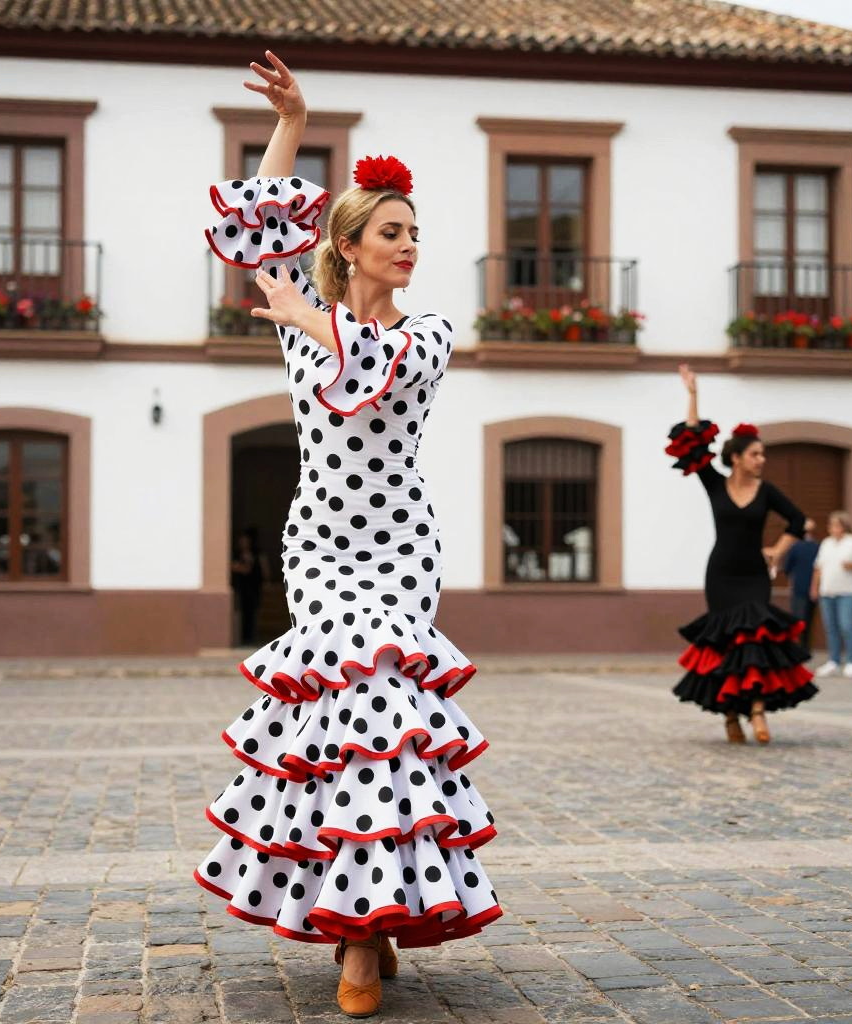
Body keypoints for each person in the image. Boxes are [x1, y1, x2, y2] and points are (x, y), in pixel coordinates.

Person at [195, 52, 501, 1018]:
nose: (411, 246)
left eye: (416, 232)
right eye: (393, 232)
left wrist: (306, 317)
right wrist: (292, 124)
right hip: (319, 542)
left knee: (389, 727)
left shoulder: (431, 334)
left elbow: (378, 361)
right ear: (353, 243)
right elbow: (253, 231)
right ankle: (359, 923)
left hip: (403, 546)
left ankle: (375, 930)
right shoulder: (302, 316)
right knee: (339, 726)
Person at [666, 365, 816, 744]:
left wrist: (777, 553)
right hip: (720, 576)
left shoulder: (767, 491)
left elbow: (799, 520)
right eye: (756, 454)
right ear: (736, 457)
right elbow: (694, 445)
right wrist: (693, 395)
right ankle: (731, 716)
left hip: (752, 575)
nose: (762, 460)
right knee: (724, 646)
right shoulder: (714, 483)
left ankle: (758, 711)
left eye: (763, 454)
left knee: (753, 641)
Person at [810, 510, 852, 678]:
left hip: (847, 592)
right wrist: (814, 587)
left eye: (835, 525)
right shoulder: (826, 543)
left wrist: (851, 566)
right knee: (831, 628)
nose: (832, 528)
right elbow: (818, 568)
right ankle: (833, 661)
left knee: (847, 626)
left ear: (844, 526)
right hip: (827, 591)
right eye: (830, 525)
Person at [230, 526, 267, 645]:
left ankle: (251, 637)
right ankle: (240, 638)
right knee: (240, 613)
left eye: (245, 540)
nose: (243, 543)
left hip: (253, 588)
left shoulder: (256, 554)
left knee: (252, 613)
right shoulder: (235, 554)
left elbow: (262, 568)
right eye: (242, 540)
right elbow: (236, 567)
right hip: (240, 588)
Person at [783, 517, 819, 639]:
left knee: (798, 620)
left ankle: (800, 648)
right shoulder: (818, 546)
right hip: (812, 589)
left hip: (800, 588)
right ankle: (805, 647)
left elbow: (787, 567)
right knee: (808, 621)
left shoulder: (796, 547)